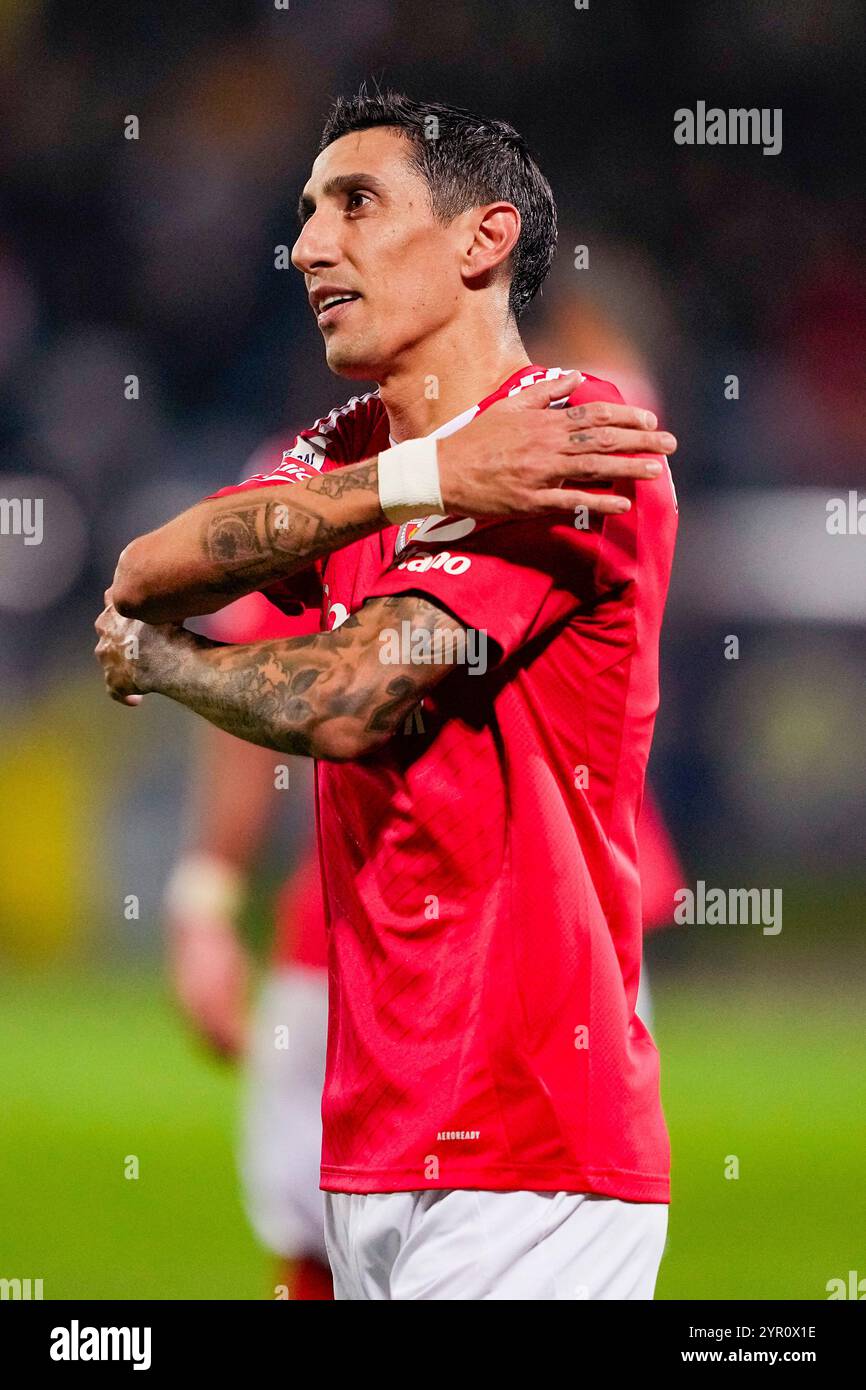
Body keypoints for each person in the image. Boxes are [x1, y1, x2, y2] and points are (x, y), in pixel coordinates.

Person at [96, 89, 679, 1300]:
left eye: (355, 203)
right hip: (372, 1135)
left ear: (483, 239)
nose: (311, 244)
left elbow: (352, 699)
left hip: (532, 1152)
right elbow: (148, 567)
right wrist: (418, 474)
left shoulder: (575, 438)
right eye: (307, 212)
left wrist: (168, 664)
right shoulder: (358, 448)